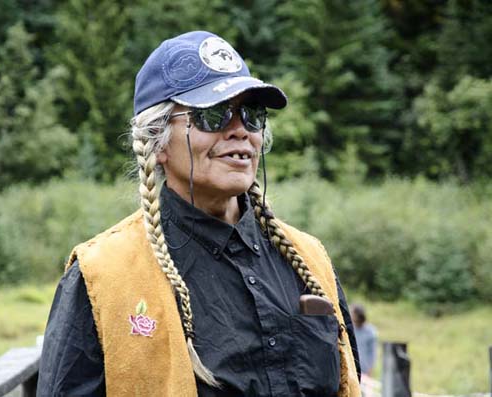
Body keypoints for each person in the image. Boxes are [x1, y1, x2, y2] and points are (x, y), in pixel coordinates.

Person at [37, 31, 361, 397]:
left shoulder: (310, 259)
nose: (240, 130)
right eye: (213, 115)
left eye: (251, 114)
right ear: (157, 140)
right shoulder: (102, 276)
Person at [350, 303, 378, 378]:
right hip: (351, 368)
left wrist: (370, 371)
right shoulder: (349, 329)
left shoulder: (370, 331)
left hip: (364, 370)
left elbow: (372, 353)